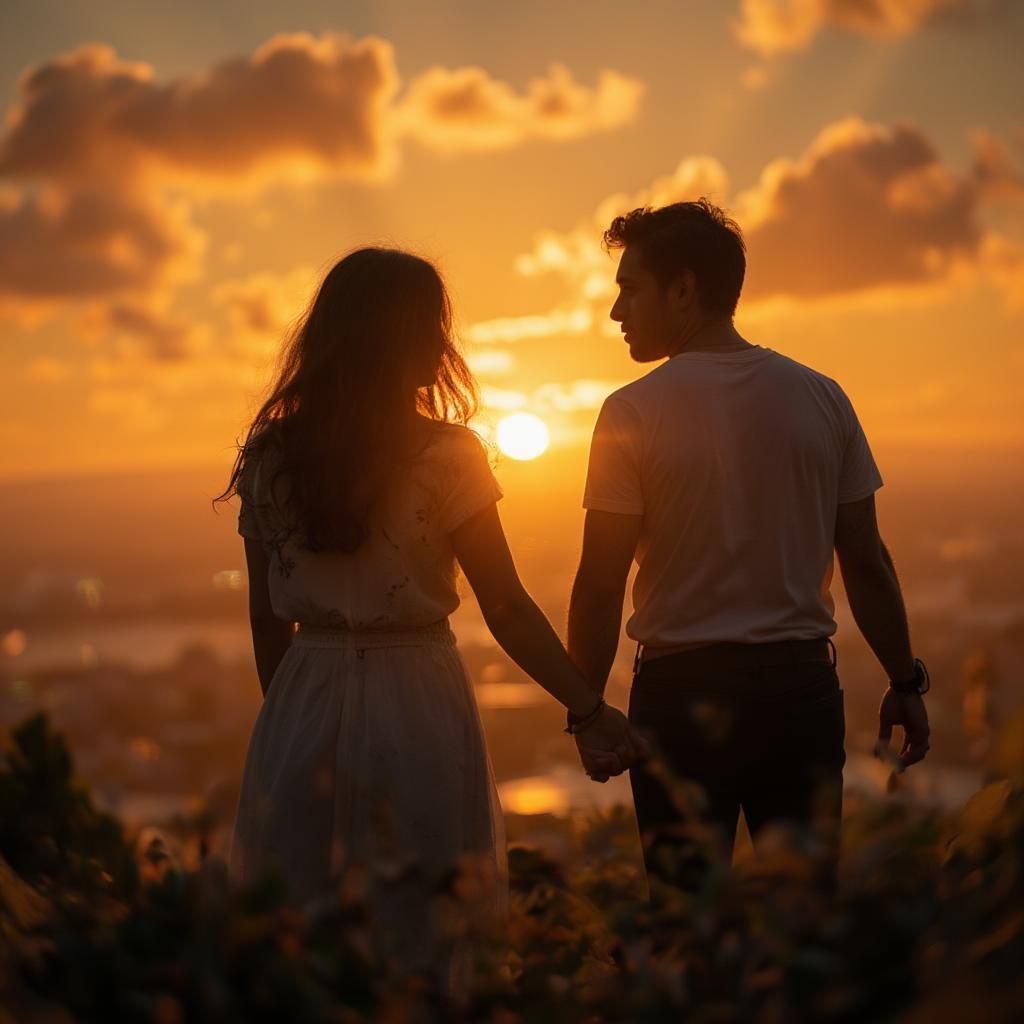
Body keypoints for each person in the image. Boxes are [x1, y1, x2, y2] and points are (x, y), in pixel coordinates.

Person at [218, 247, 646, 993]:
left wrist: (290, 717)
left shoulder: (271, 454)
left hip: (301, 697)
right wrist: (589, 710)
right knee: (422, 929)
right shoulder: (449, 456)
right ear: (408, 339)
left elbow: (264, 616)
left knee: (303, 930)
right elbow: (506, 605)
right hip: (416, 696)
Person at [566, 200, 931, 892]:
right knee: (804, 925)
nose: (616, 311)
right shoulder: (822, 398)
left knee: (687, 926)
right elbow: (867, 560)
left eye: (628, 288)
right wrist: (905, 681)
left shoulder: (632, 411)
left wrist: (585, 712)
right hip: (799, 695)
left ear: (683, 289)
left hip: (681, 698)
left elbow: (599, 582)